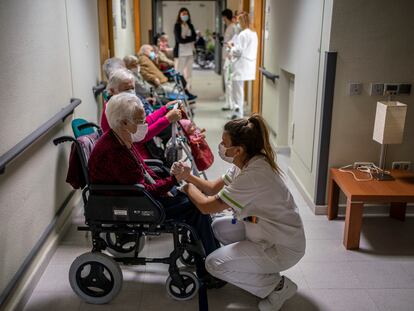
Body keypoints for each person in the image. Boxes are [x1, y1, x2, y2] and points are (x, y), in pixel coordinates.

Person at [173, 114, 306, 310]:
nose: (220, 145)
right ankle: (258, 269)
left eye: (224, 142)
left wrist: (185, 186)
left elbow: (207, 205)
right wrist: (188, 176)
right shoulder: (246, 162)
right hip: (266, 230)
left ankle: (278, 287)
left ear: (238, 150)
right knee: (218, 227)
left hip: (282, 247)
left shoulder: (253, 175)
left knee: (213, 264)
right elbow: (211, 188)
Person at [88, 93, 220, 264]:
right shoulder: (116, 151)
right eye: (140, 121)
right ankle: (213, 260)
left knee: (191, 195)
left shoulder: (121, 137)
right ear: (124, 123)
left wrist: (169, 181)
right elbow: (144, 189)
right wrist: (173, 179)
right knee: (196, 206)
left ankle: (206, 251)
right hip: (129, 201)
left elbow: (143, 171)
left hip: (135, 195)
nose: (145, 125)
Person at [227, 12, 258, 119]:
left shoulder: (243, 34)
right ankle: (238, 111)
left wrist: (231, 47)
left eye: (239, 21)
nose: (238, 24)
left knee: (237, 90)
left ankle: (238, 114)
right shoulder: (254, 33)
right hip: (248, 64)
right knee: (240, 89)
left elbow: (238, 51)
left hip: (240, 65)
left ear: (243, 21)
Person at [221, 9, 239, 112]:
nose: (223, 19)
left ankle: (232, 104)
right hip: (226, 57)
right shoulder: (229, 27)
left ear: (225, 17)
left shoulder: (233, 28)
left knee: (229, 82)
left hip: (230, 58)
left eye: (223, 17)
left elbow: (234, 43)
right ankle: (228, 102)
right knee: (227, 82)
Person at [173, 7, 196, 89]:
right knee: (179, 71)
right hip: (180, 52)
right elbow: (179, 40)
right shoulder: (177, 26)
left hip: (190, 51)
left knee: (189, 72)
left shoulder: (190, 25)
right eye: (183, 14)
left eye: (186, 14)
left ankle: (187, 88)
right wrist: (189, 38)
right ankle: (179, 88)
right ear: (179, 15)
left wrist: (186, 38)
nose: (185, 15)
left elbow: (194, 37)